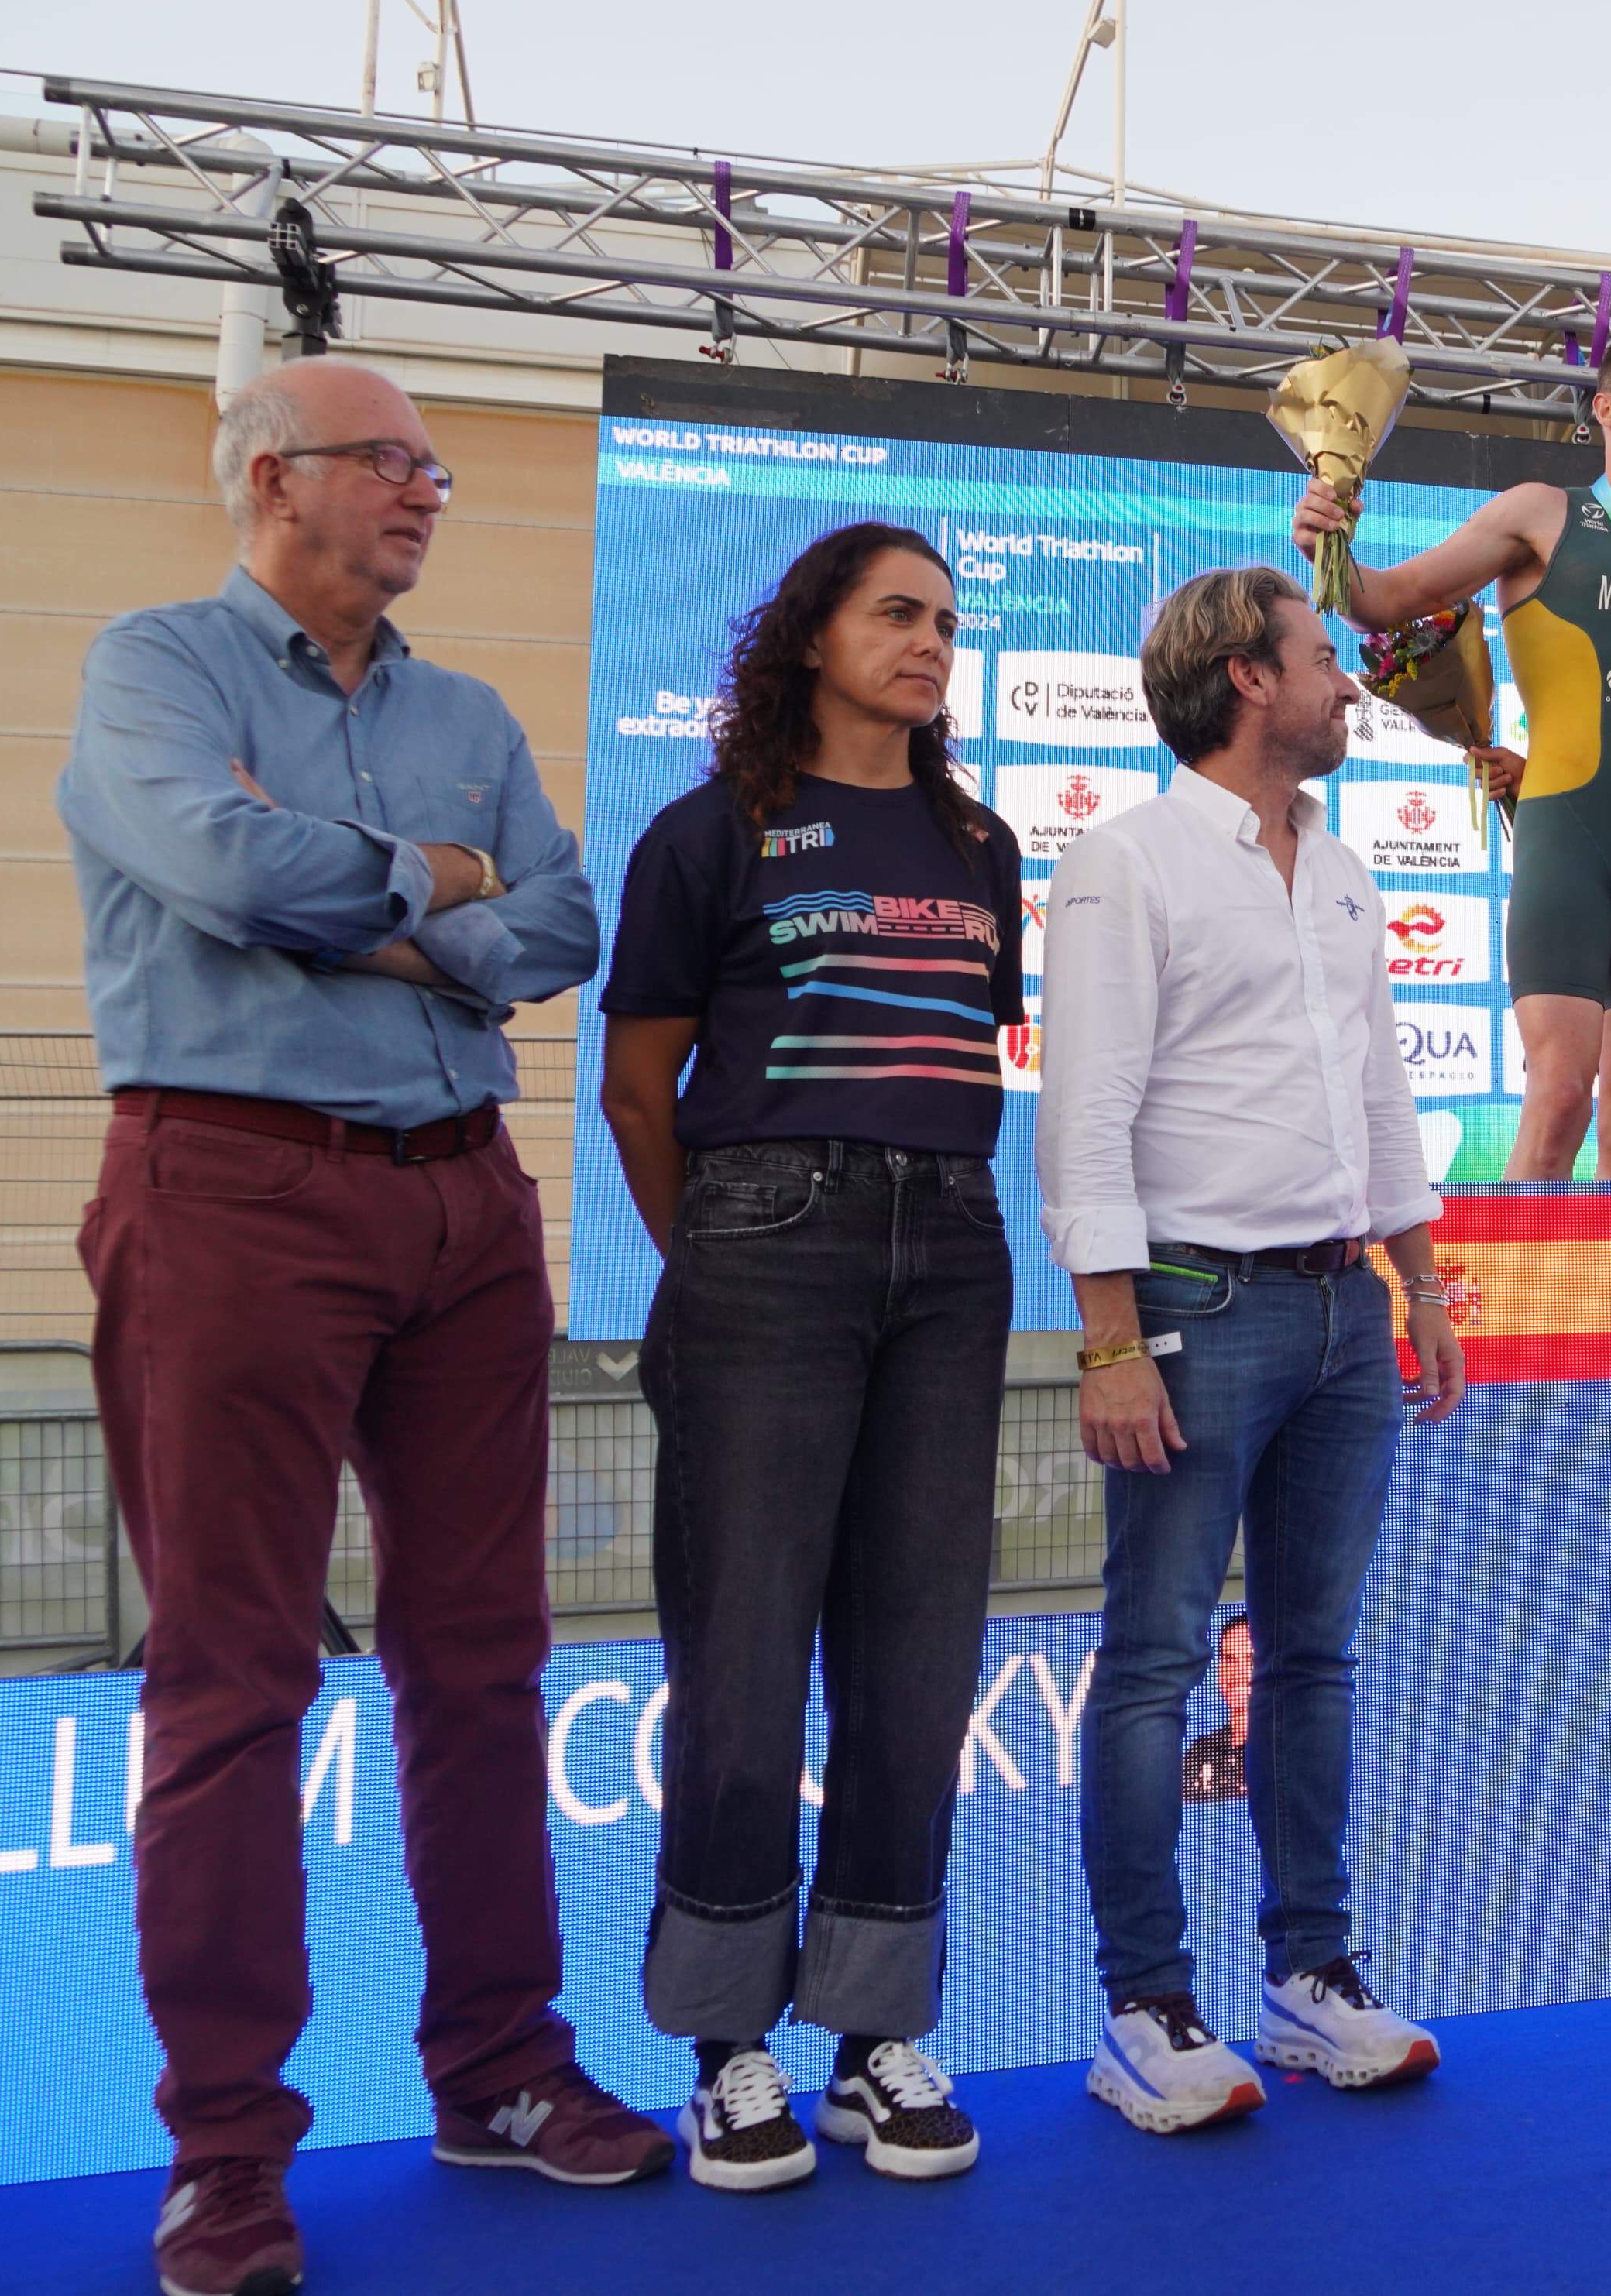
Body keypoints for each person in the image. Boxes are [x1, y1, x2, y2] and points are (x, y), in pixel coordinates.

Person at [57, 359, 657, 2296]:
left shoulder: (465, 712)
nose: (427, 491)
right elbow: (222, 864)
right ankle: (226, 2150)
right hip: (231, 1190)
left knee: (481, 1659)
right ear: (271, 475)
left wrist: (381, 904)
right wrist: (439, 889)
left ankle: (497, 2066)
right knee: (230, 1678)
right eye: (392, 461)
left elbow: (559, 931)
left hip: (467, 1200)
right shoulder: (156, 669)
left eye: (435, 465)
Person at [596, 521, 1021, 2191]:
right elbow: (644, 1092)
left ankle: (873, 2033)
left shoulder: (980, 840)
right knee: (747, 1656)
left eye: (943, 620)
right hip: (766, 1237)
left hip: (954, 1246)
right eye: (894, 614)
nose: (928, 642)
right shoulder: (709, 833)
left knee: (919, 1658)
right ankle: (727, 2045)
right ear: (812, 637)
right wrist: (714, 1253)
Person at [1038, 564, 1472, 2135]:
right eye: (1319, 660)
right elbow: (1080, 1108)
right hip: (1192, 1306)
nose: (1347, 686)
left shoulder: (1346, 871)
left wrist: (1417, 1286)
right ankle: (1147, 2002)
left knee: (1314, 1654)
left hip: (1345, 1308)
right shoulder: (1123, 861)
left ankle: (1311, 1974)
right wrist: (1107, 1340)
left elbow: (1380, 1103)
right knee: (1156, 1662)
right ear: (1242, 681)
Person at [1293, 337, 1611, 1179]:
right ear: (1605, 409)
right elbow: (1382, 602)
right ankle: (1512, 1311)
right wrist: (1329, 545)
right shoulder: (1541, 513)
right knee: (1558, 1097)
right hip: (1571, 837)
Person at [1182, 1616, 1257, 1804]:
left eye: (1250, 1659)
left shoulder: (1286, 1749)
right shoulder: (1200, 1753)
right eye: (1229, 1659)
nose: (1238, 1671)